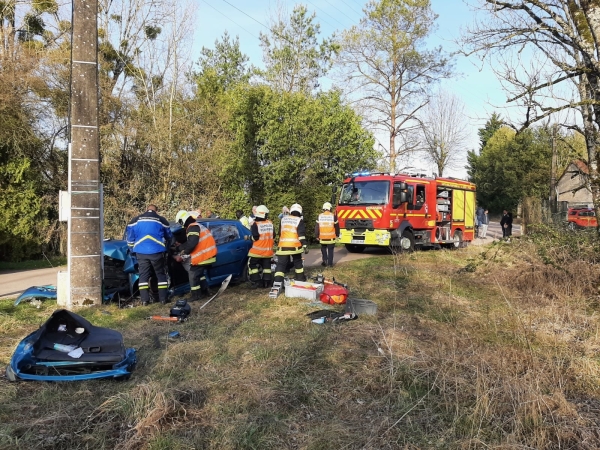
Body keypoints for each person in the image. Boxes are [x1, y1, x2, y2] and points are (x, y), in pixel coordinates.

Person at [126, 205, 172, 306]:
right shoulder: (161, 220)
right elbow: (169, 236)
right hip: (157, 251)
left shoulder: (135, 220)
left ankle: (144, 300)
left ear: (146, 209)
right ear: (157, 211)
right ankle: (163, 299)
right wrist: (166, 248)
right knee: (160, 274)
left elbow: (129, 238)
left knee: (143, 275)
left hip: (141, 252)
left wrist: (132, 250)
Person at [174, 210, 217, 301]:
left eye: (180, 222)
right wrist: (181, 247)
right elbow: (191, 242)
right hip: (208, 254)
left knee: (193, 274)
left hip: (203, 256)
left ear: (182, 220)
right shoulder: (196, 225)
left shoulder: (192, 227)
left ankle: (196, 295)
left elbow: (192, 243)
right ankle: (206, 291)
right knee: (199, 274)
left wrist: (182, 251)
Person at [272, 203, 307, 293]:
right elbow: (301, 235)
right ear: (300, 212)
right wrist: (305, 246)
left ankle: (277, 283)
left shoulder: (283, 219)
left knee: (281, 265)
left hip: (283, 245)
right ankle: (300, 279)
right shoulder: (299, 220)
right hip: (295, 246)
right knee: (298, 263)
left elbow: (280, 232)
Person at [247, 205, 274, 288]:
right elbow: (274, 235)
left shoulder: (255, 224)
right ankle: (267, 282)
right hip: (268, 251)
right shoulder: (270, 223)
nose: (267, 215)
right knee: (267, 267)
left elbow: (255, 237)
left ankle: (257, 281)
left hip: (257, 251)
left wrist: (248, 237)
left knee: (251, 264)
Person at [315, 202, 339, 267]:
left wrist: (316, 235)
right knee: (330, 251)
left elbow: (317, 227)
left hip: (322, 237)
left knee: (323, 250)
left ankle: (324, 261)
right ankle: (330, 264)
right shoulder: (333, 216)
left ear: (323, 208)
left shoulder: (320, 216)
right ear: (330, 208)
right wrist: (337, 234)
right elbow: (337, 226)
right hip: (331, 237)